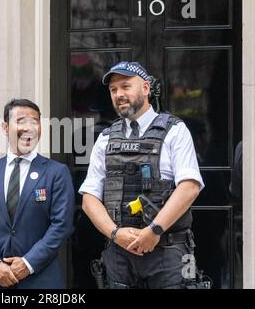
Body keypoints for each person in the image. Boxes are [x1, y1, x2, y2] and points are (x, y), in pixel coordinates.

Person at [79, 61, 206, 289]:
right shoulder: (105, 139)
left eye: (126, 86)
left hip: (168, 251)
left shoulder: (175, 131)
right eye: (113, 90)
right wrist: (115, 234)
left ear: (145, 88)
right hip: (119, 253)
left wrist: (154, 230)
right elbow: (89, 199)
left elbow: (189, 187)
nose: (119, 94)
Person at [0, 98, 74, 289]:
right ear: (6, 127)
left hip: (42, 280)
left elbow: (61, 225)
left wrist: (28, 263)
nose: (29, 128)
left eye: (34, 121)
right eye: (21, 121)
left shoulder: (56, 173)